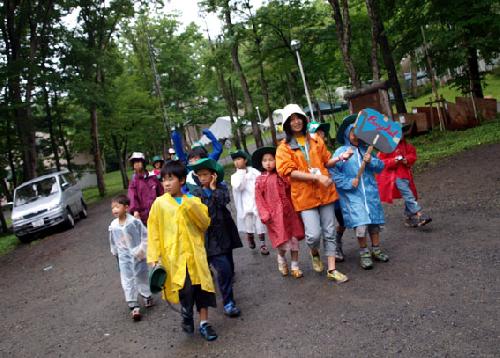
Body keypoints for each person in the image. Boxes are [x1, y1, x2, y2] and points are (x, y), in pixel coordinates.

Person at [275, 104, 352, 283]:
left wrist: (340, 158)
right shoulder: (283, 148)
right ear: (287, 124)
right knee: (313, 235)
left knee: (330, 230)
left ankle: (332, 269)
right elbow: (288, 172)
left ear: (304, 118)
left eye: (298, 117)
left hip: (325, 192)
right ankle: (314, 251)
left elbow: (326, 161)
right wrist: (315, 178)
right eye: (291, 119)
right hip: (304, 196)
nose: (296, 121)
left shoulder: (316, 140)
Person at [147, 160, 218, 341]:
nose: (167, 183)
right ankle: (186, 312)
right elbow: (154, 231)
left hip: (196, 255)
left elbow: (204, 223)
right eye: (164, 180)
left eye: (171, 179)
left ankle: (204, 324)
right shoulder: (159, 204)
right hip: (175, 257)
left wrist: (189, 205)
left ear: (182, 180)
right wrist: (153, 257)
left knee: (203, 289)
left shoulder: (193, 200)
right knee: (185, 289)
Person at [331, 118, 389, 270]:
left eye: (358, 131)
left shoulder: (367, 150)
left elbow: (380, 167)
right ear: (346, 134)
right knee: (361, 224)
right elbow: (333, 172)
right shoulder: (340, 152)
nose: (355, 134)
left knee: (374, 223)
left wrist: (371, 161)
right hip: (353, 196)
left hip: (370, 193)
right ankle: (364, 253)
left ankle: (376, 249)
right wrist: (348, 183)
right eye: (352, 131)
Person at [188, 158, 243, 317]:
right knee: (223, 268)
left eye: (205, 174)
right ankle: (228, 303)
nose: (202, 178)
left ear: (213, 175)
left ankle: (227, 294)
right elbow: (205, 210)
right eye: (200, 175)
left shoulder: (221, 188)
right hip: (209, 238)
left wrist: (212, 189)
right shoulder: (195, 193)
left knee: (229, 268)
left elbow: (223, 201)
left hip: (225, 233)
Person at [253, 146, 305, 278]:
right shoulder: (260, 180)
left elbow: (291, 189)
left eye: (271, 159)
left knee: (293, 241)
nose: (268, 163)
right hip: (275, 216)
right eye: (265, 160)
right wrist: (264, 213)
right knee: (282, 242)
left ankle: (295, 266)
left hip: (290, 213)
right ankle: (281, 258)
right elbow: (259, 199)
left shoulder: (282, 175)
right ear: (261, 163)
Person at [109, 194, 153, 321]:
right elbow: (113, 240)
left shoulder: (134, 222)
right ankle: (133, 304)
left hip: (137, 255)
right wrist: (115, 251)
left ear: (126, 207)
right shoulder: (114, 225)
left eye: (117, 206)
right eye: (113, 208)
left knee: (141, 276)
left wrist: (141, 250)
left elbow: (145, 236)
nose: (114, 210)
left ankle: (146, 295)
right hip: (124, 257)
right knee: (127, 279)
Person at [376, 127, 432, 227]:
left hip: (406, 175)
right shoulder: (386, 147)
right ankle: (420, 214)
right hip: (394, 177)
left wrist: (407, 160)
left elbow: (412, 155)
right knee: (408, 194)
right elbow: (381, 162)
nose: (400, 134)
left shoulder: (406, 146)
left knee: (411, 194)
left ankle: (409, 216)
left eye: (401, 132)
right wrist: (394, 160)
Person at [230, 150, 269, 255]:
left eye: (239, 159)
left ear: (245, 160)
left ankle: (263, 244)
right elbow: (239, 187)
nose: (237, 162)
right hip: (245, 204)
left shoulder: (253, 171)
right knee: (248, 224)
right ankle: (250, 238)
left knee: (260, 224)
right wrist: (243, 174)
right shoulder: (234, 176)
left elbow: (262, 180)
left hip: (257, 202)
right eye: (235, 160)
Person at [127, 152, 164, 226]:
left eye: (139, 161)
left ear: (143, 163)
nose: (137, 164)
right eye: (134, 162)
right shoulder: (134, 182)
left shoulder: (153, 177)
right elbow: (132, 197)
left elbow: (161, 193)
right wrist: (135, 210)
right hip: (144, 217)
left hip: (158, 212)